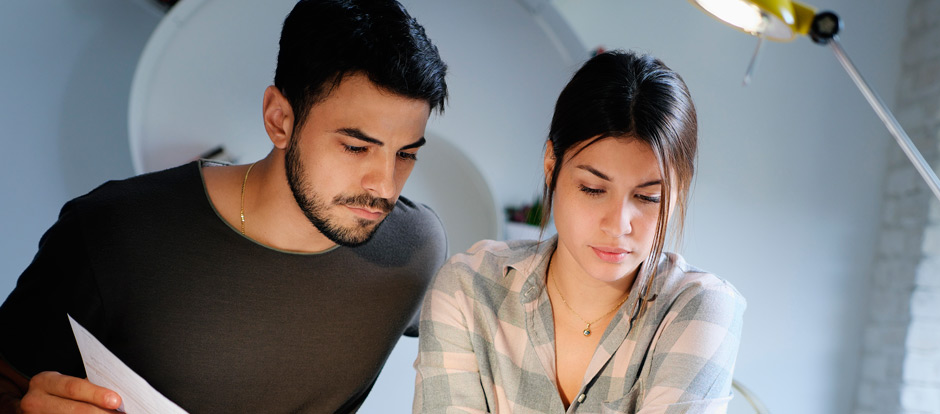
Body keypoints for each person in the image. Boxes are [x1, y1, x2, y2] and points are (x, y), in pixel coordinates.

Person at [0, 0, 448, 412]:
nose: (384, 187)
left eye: (406, 154)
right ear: (279, 120)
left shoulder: (415, 250)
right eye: (355, 147)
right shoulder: (112, 231)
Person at [414, 50, 745, 413]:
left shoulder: (697, 308)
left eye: (649, 197)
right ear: (550, 164)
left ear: (679, 191)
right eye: (593, 189)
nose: (619, 224)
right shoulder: (469, 287)